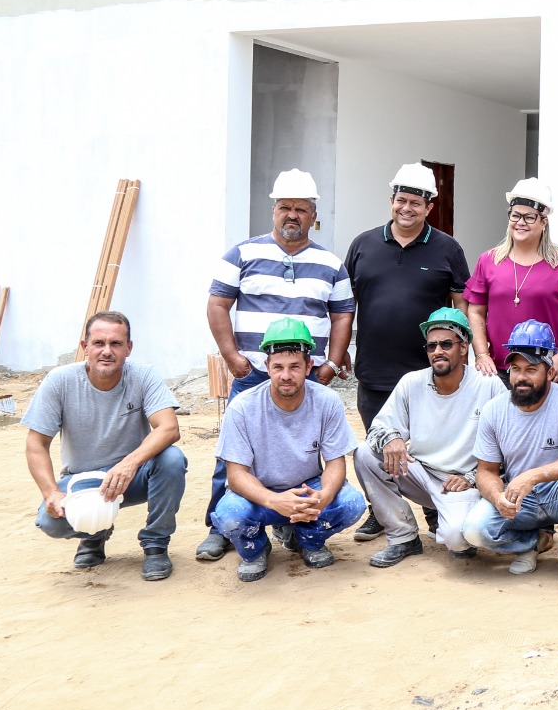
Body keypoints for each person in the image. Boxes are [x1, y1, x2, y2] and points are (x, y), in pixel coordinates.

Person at [201, 168, 355, 562]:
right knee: (233, 457)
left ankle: (299, 519)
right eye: (285, 207)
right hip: (254, 372)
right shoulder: (242, 254)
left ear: (313, 215)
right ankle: (223, 528)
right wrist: (232, 356)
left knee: (304, 454)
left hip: (307, 376)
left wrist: (332, 363)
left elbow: (342, 316)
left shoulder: (331, 264)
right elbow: (218, 304)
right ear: (273, 210)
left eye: (301, 209)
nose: (292, 215)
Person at [343, 163, 470, 544]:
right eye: (401, 200)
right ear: (391, 200)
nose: (407, 208)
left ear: (429, 206)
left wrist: (464, 352)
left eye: (416, 202)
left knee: (432, 444)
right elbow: (344, 304)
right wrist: (340, 349)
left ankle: (434, 509)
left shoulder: (448, 248)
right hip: (375, 368)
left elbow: (463, 304)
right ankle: (381, 513)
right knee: (377, 446)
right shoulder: (363, 244)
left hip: (429, 372)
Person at [23, 311, 186, 580]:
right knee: (50, 522)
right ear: (85, 347)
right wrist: (51, 492)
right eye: (98, 343)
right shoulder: (59, 381)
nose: (106, 351)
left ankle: (156, 545)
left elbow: (169, 428)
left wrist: (129, 464)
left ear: (129, 348)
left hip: (133, 477)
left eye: (116, 344)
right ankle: (94, 535)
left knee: (171, 459)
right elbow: (36, 443)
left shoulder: (143, 376)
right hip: (84, 481)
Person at [210, 318, 367, 583]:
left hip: (307, 488)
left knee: (351, 504)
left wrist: (325, 496)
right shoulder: (243, 407)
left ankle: (306, 538)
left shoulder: (327, 402)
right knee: (230, 516)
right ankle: (256, 550)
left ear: (308, 367)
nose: (286, 375)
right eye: (278, 367)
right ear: (266, 367)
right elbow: (236, 475)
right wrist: (274, 501)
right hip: (260, 492)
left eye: (295, 366)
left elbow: (335, 463)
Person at [353, 308, 506, 567]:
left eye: (446, 344)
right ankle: (403, 537)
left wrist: (472, 479)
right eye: (431, 345)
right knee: (364, 453)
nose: (437, 351)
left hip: (462, 482)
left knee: (457, 540)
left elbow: (509, 448)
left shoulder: (488, 385)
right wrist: (392, 437)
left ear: (464, 346)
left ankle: (450, 522)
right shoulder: (411, 382)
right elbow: (378, 429)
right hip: (420, 474)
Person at [461, 320, 558, 594]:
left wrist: (534, 475)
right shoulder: (494, 410)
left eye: (531, 369)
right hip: (518, 498)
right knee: (474, 530)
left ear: (550, 372)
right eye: (515, 369)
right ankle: (531, 542)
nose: (521, 377)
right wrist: (497, 497)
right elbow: (486, 471)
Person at [463, 178, 558, 385]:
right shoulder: (489, 261)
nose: (520, 222)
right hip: (500, 370)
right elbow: (476, 310)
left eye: (529, 217)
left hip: (549, 368)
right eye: (515, 215)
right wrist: (481, 354)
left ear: (543, 222)